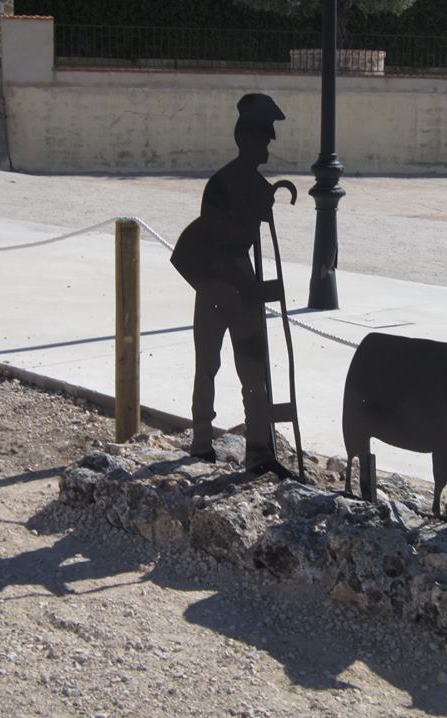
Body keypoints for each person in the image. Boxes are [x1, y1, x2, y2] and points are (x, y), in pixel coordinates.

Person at [171, 93, 292, 478]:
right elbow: (221, 240)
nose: (270, 143)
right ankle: (203, 442)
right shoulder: (224, 184)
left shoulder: (251, 185)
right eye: (264, 137)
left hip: (230, 285)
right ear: (246, 138)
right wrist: (252, 288)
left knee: (251, 371)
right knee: (210, 364)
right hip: (221, 285)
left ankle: (257, 450)